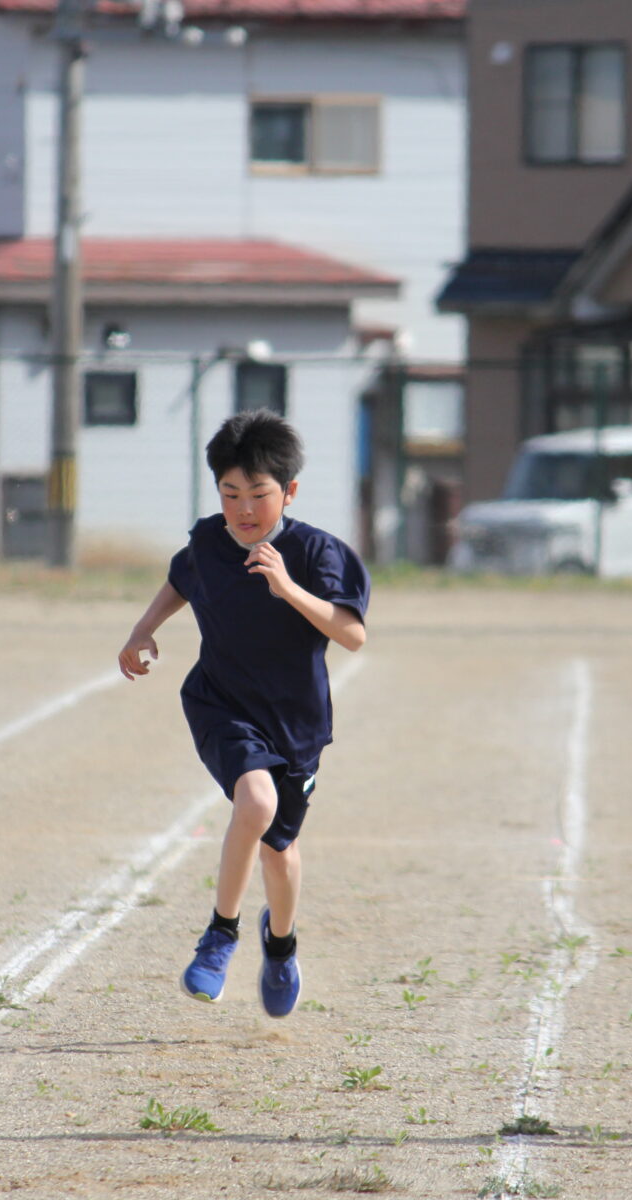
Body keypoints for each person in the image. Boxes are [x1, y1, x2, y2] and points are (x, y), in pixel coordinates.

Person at [117, 410, 368, 1018]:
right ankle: (219, 936)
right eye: (231, 494)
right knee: (255, 804)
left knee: (280, 851)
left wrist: (288, 588)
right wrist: (143, 629)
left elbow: (352, 634)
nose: (245, 509)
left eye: (259, 495)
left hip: (297, 725)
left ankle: (279, 945)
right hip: (220, 701)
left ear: (290, 492)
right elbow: (183, 577)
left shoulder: (316, 553)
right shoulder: (209, 540)